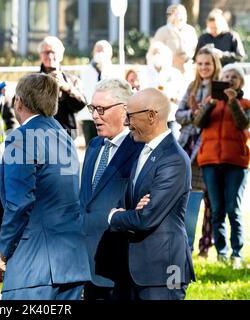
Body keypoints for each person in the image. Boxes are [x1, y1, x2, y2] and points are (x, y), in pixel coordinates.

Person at [0, 73, 90, 300]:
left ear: (19, 102)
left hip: (34, 267)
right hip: (71, 261)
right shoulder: (65, 137)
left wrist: (3, 252)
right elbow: (49, 183)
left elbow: (19, 204)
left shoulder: (20, 139)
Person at [108, 88, 195, 300]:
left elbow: (145, 217)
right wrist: (131, 211)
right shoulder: (144, 151)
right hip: (139, 269)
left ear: (151, 115)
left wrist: (113, 216)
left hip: (163, 271)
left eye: (130, 116)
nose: (127, 123)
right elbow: (130, 203)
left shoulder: (173, 159)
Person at [80, 78, 143, 300]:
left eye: (101, 109)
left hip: (122, 268)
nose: (95, 115)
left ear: (125, 111)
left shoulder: (140, 149)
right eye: (92, 108)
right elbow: (86, 202)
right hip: (88, 265)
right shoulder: (94, 146)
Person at [193, 63, 250, 269]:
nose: (229, 79)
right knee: (216, 210)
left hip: (236, 162)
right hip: (210, 161)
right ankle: (222, 253)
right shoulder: (210, 101)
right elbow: (198, 122)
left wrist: (233, 101)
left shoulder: (245, 103)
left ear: (240, 82)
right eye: (226, 75)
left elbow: (243, 124)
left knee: (233, 209)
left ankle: (236, 253)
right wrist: (211, 104)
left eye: (234, 77)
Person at [176, 46, 221, 258]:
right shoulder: (191, 86)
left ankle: (206, 246)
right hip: (188, 148)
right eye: (200, 63)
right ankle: (187, 244)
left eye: (208, 64)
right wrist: (193, 113)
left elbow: (214, 120)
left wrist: (199, 113)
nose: (204, 67)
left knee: (211, 201)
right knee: (190, 199)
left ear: (215, 65)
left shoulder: (219, 89)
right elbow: (178, 114)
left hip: (209, 148)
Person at [38, 36, 86, 139]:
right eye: (46, 52)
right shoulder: (31, 80)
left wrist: (66, 87)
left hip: (66, 136)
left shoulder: (72, 79)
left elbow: (81, 105)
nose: (50, 56)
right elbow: (20, 105)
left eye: (53, 52)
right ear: (40, 55)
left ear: (61, 55)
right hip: (39, 136)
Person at [140, 41, 186, 140]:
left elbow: (182, 96)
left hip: (171, 118)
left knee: (173, 147)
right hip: (151, 120)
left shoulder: (175, 74)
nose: (156, 55)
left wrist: (172, 97)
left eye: (159, 52)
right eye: (154, 53)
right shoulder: (144, 73)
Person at [79, 40, 114, 145]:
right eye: (97, 50)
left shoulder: (114, 71)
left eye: (103, 50)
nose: (100, 53)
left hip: (107, 115)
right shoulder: (85, 70)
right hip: (89, 116)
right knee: (91, 146)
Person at [152, 4, 198, 74]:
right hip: (169, 72)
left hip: (188, 72)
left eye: (181, 14)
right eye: (175, 14)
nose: (179, 17)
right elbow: (154, 53)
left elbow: (196, 50)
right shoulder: (162, 31)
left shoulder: (191, 30)